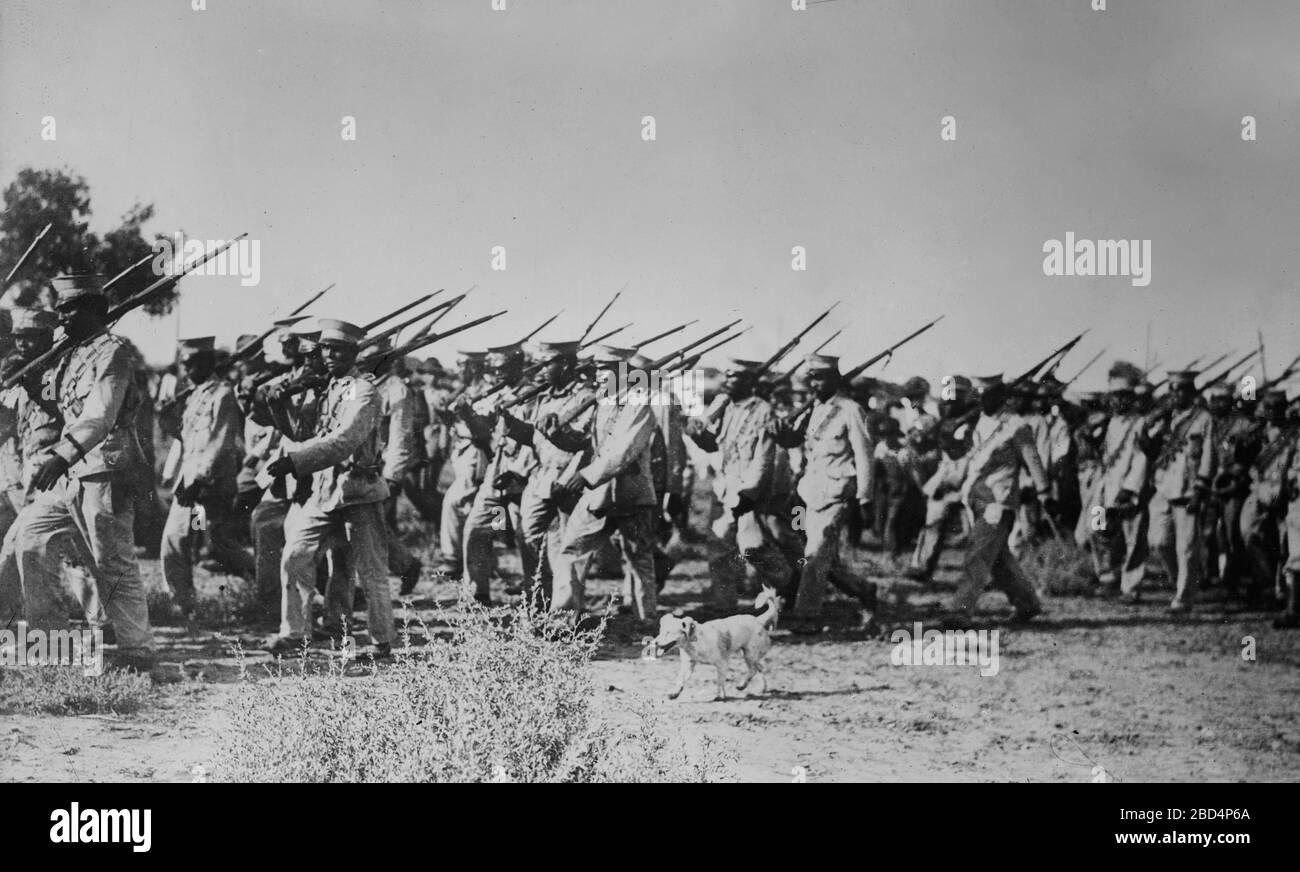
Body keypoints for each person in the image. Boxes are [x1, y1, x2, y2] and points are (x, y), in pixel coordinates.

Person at [5, 274, 155, 670]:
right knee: (30, 540)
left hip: (105, 469)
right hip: (71, 474)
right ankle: (50, 646)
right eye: (60, 307)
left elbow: (100, 415)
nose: (60, 315)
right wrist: (30, 379)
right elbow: (57, 404)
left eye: (69, 308)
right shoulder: (71, 353)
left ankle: (137, 653)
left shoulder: (113, 353)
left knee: (112, 563)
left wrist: (62, 453)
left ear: (95, 310)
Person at [265, 319, 394, 656]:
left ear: (354, 353)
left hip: (359, 490)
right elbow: (302, 433)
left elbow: (344, 440)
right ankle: (295, 633)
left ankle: (381, 643)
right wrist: (279, 403)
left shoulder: (364, 391)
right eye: (326, 349)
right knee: (295, 555)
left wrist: (295, 462)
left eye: (339, 349)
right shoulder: (329, 389)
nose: (331, 355)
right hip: (324, 491)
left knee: (370, 571)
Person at [548, 345, 659, 627]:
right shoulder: (602, 400)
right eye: (596, 368)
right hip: (600, 496)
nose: (597, 374)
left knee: (639, 559)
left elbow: (624, 450)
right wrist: (554, 432)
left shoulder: (639, 402)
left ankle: (647, 622)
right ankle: (562, 623)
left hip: (631, 493)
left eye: (604, 369)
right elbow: (581, 441)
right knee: (572, 550)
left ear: (622, 372)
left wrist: (586, 475)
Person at [774, 354, 879, 634]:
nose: (814, 383)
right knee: (818, 555)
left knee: (816, 552)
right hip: (807, 493)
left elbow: (864, 455)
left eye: (820, 377)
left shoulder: (850, 410)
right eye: (811, 378)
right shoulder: (814, 409)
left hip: (836, 493)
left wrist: (866, 497)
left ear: (835, 379)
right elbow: (796, 442)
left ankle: (807, 614)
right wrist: (781, 434)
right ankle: (864, 590)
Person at [684, 357, 789, 611]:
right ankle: (724, 607)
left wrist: (749, 493)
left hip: (749, 492)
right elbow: (715, 444)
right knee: (718, 548)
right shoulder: (725, 406)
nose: (727, 382)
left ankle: (787, 581)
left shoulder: (763, 411)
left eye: (735, 377)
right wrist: (698, 436)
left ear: (750, 381)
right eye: (727, 376)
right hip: (725, 488)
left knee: (752, 547)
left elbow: (763, 457)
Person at [159, 336, 253, 622]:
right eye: (184, 365)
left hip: (210, 488)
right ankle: (182, 605)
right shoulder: (195, 394)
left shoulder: (222, 394)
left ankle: (262, 579)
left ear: (206, 363)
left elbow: (220, 443)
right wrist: (166, 417)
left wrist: (199, 480)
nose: (185, 371)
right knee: (176, 540)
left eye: (190, 364)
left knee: (217, 545)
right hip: (189, 487)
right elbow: (186, 438)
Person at [949, 374, 1050, 624]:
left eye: (988, 396)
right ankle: (1027, 603)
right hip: (975, 499)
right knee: (998, 560)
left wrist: (1044, 491)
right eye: (979, 395)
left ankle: (960, 611)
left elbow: (1033, 460)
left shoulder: (1016, 425)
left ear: (1001, 395)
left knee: (978, 555)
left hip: (999, 500)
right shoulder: (979, 422)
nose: (982, 400)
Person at [499, 340, 594, 603]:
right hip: (541, 477)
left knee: (564, 548)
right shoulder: (545, 397)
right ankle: (538, 600)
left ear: (564, 364)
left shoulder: (585, 397)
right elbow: (534, 437)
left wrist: (557, 429)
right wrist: (511, 424)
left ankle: (565, 613)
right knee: (526, 536)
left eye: (547, 363)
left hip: (570, 480)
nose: (540, 369)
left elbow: (581, 440)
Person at [1144, 370, 1216, 613]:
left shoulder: (1203, 418)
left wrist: (1201, 488)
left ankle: (1184, 598)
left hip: (1188, 488)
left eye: (1182, 390)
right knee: (1159, 542)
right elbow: (1149, 447)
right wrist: (1150, 425)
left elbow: (1208, 455)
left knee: (1186, 547)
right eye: (1173, 390)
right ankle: (1181, 582)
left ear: (1192, 392)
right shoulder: (1167, 418)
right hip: (1164, 486)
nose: (1177, 395)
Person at [1084, 368, 1149, 601]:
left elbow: (1142, 458)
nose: (1119, 400)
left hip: (1129, 489)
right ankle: (1107, 576)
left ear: (1132, 398)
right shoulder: (1110, 423)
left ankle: (1131, 588)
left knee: (1133, 539)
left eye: (1124, 395)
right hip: (1107, 487)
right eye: (1115, 395)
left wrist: (1130, 488)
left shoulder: (1141, 423)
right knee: (1096, 528)